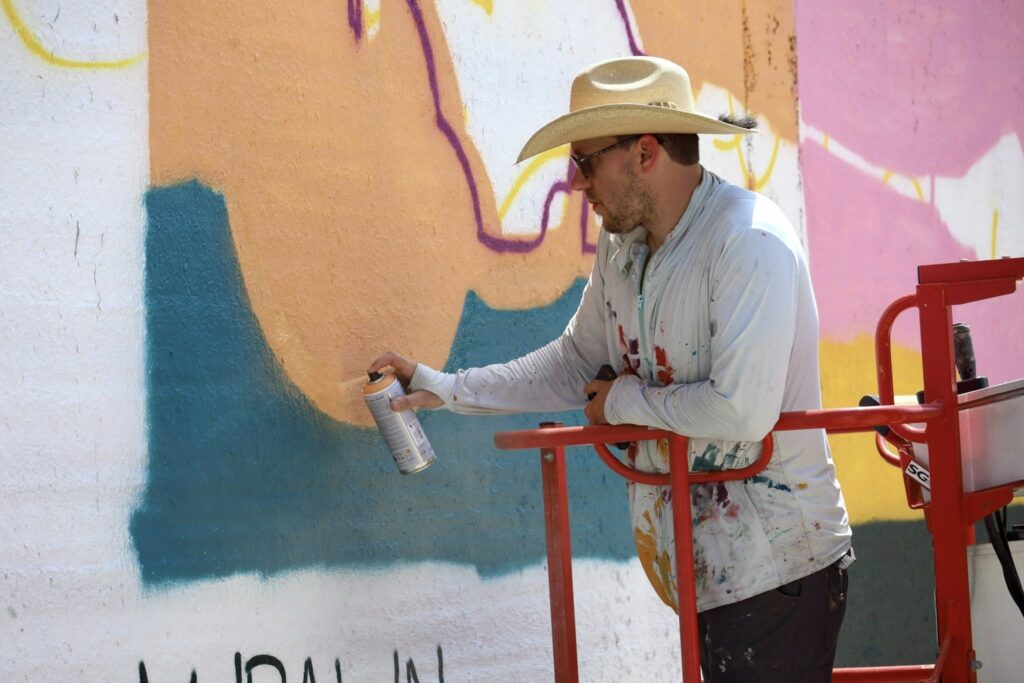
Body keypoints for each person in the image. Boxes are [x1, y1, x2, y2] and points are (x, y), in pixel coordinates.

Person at [369, 56, 852, 682]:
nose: (577, 184)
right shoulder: (623, 251)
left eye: (585, 162)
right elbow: (576, 362)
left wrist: (621, 402)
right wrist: (448, 388)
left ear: (645, 151)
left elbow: (742, 412)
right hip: (710, 569)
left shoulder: (748, 241)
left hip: (781, 567)